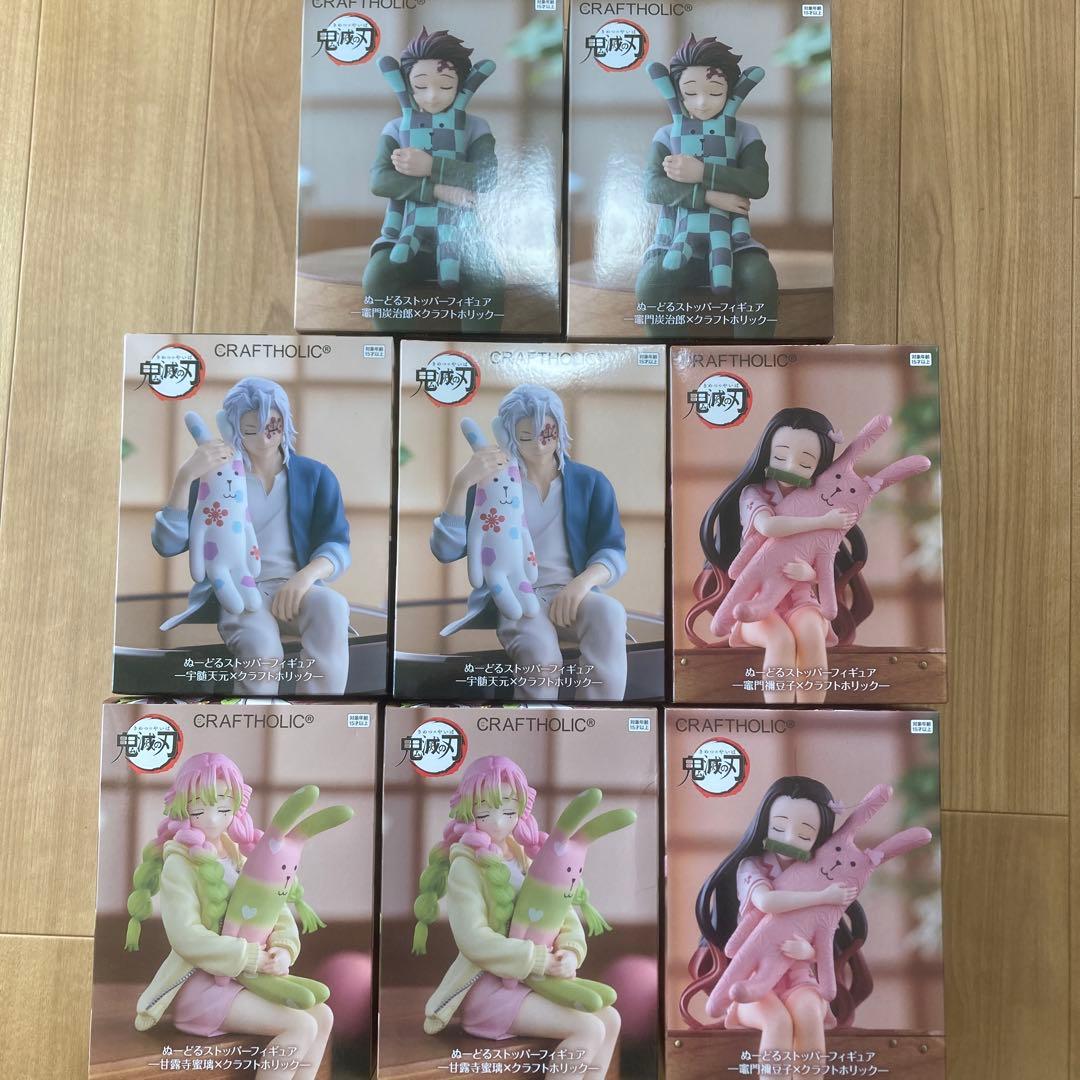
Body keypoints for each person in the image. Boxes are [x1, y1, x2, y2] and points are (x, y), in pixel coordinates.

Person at [124, 753, 334, 1078]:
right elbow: (185, 936)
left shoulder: (240, 853)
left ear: (237, 806)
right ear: (182, 806)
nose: (211, 819)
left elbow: (275, 909)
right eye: (198, 809)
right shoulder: (180, 863)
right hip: (202, 989)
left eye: (223, 809)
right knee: (300, 1025)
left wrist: (283, 949)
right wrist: (249, 956)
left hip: (248, 982)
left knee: (323, 1016)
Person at [411, 756, 621, 1076]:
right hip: (490, 990)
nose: (498, 822)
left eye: (509, 812)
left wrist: (570, 952)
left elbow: (561, 913)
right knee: (588, 1029)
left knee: (610, 1019)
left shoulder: (527, 855)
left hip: (536, 982)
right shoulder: (465, 866)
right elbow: (473, 939)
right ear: (468, 809)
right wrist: (536, 959)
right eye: (485, 812)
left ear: (522, 809)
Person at [152, 377, 352, 695]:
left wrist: (305, 577)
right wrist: (185, 476)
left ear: (284, 419)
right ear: (233, 428)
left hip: (295, 587)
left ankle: (318, 713)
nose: (263, 437)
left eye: (271, 425)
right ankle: (253, 717)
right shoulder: (216, 477)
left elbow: (336, 543)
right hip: (238, 589)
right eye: (249, 429)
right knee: (262, 649)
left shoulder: (315, 476)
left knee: (333, 606)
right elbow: (168, 544)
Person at [431, 384, 629, 701]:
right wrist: (461, 483)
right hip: (515, 594)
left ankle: (599, 719)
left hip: (571, 593)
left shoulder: (590, 482)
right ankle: (534, 723)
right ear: (509, 435)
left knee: (610, 612)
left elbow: (612, 549)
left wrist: (582, 584)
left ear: (559, 427)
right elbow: (446, 550)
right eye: (526, 437)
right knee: (541, 656)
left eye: (547, 433)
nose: (538, 444)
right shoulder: (493, 483)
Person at [688, 776, 871, 1075]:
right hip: (755, 977)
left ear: (819, 838)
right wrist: (823, 896)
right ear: (764, 825)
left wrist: (808, 952)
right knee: (777, 1022)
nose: (789, 838)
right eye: (778, 827)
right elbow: (766, 902)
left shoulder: (821, 874)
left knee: (810, 1015)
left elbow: (822, 937)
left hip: (800, 977)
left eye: (804, 833)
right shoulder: (752, 866)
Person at [692, 407, 871, 704]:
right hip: (758, 599)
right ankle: (780, 716)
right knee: (780, 640)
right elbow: (769, 527)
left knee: (812, 634)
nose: (790, 466)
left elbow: (823, 558)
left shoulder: (822, 500)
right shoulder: (754, 494)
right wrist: (823, 521)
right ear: (766, 454)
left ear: (820, 466)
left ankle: (810, 712)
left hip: (801, 598)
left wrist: (810, 574)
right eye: (780, 456)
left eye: (805, 462)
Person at [636, 35, 779, 339]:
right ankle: (673, 357)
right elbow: (652, 187)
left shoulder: (745, 133)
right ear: (677, 92)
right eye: (690, 92)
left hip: (734, 241)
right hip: (676, 239)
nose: (702, 102)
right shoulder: (667, 134)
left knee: (760, 275)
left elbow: (757, 183)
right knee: (652, 280)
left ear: (731, 92)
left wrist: (702, 172)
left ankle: (751, 356)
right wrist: (709, 196)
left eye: (714, 92)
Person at [362, 27, 503, 333]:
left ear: (461, 85)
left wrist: (431, 166)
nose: (433, 95)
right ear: (406, 85)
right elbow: (380, 180)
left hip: (464, 236)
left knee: (489, 280)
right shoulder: (396, 128)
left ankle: (476, 351)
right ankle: (400, 348)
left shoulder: (476, 127)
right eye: (421, 86)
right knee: (377, 276)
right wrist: (437, 189)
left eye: (445, 85)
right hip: (404, 234)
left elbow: (487, 177)